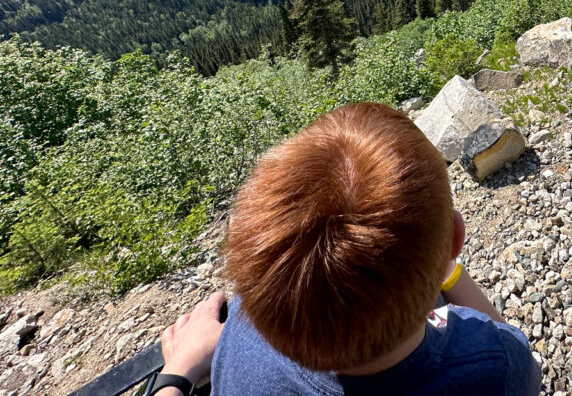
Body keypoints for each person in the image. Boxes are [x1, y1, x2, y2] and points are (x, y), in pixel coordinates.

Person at [153, 103, 541, 396]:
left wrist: (177, 374)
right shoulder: (492, 367)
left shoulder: (242, 340)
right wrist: (450, 272)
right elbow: (513, 344)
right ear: (455, 240)